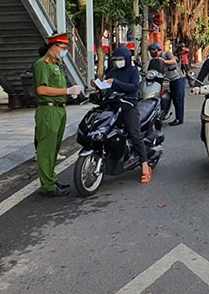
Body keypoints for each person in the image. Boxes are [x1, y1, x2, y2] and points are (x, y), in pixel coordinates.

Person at [33, 33, 83, 197]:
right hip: (48, 110)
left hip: (59, 108)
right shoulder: (43, 64)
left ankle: (51, 180)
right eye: (63, 48)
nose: (65, 51)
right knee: (46, 150)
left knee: (54, 149)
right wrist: (66, 90)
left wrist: (69, 94)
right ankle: (47, 186)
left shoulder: (57, 64)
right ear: (53, 47)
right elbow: (41, 89)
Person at [96, 45, 154, 184]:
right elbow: (106, 86)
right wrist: (99, 85)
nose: (118, 61)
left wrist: (116, 83)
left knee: (135, 135)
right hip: (113, 106)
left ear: (127, 59)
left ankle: (145, 166)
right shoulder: (112, 72)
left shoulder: (133, 72)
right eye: (116, 59)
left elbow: (133, 87)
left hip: (128, 106)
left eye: (121, 59)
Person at [150, 42, 185, 127]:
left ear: (156, 49)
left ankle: (179, 119)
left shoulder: (167, 54)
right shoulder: (155, 59)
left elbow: (173, 61)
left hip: (177, 79)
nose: (150, 53)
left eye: (151, 51)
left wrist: (164, 61)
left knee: (178, 100)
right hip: (167, 80)